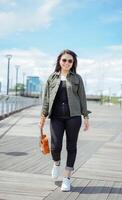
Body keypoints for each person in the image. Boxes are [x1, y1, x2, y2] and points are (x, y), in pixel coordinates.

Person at [39, 49, 90, 192]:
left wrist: (86, 117)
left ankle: (67, 179)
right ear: (59, 62)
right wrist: (42, 117)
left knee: (71, 147)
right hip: (56, 117)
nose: (67, 63)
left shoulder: (77, 78)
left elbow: (83, 99)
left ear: (73, 63)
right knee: (55, 147)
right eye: (64, 60)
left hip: (73, 117)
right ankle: (56, 163)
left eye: (70, 61)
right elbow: (46, 100)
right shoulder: (52, 78)